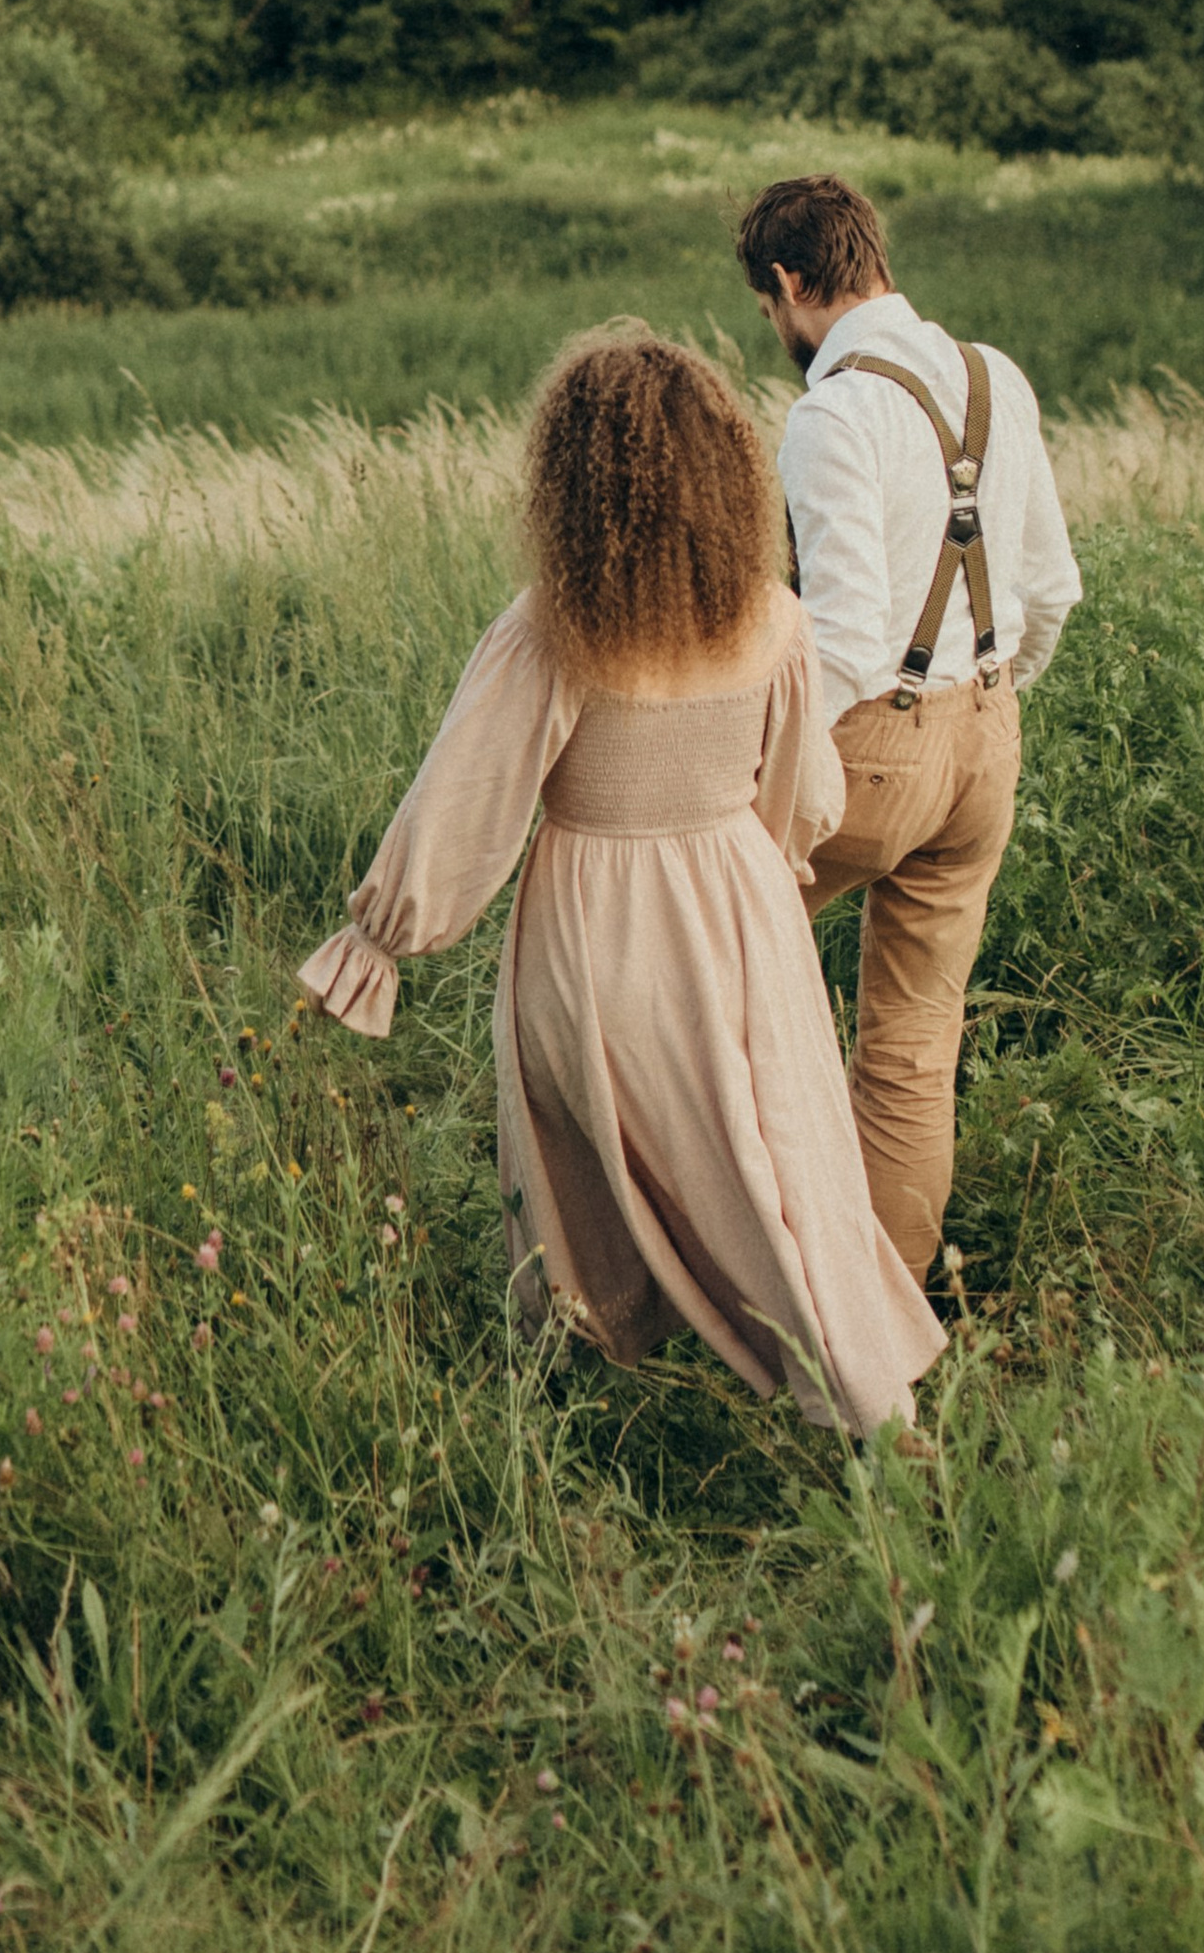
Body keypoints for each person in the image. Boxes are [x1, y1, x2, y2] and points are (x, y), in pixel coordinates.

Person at [298, 331, 942, 1436]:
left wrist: (382, 936)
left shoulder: (554, 632)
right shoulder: (774, 619)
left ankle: (624, 1369)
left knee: (582, 1148)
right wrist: (762, 868)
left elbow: (466, 794)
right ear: (723, 474)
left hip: (595, 919)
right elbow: (804, 796)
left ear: (574, 482)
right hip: (742, 899)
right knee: (770, 1148)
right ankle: (843, 1374)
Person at [735, 172, 1081, 1290]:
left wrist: (759, 774)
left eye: (767, 306)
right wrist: (985, 696)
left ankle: (722, 1274)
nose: (775, 329)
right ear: (873, 256)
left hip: (869, 747)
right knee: (913, 1053)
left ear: (790, 283)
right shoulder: (995, 377)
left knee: (702, 961)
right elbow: (1052, 588)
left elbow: (837, 639)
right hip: (986, 739)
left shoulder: (829, 413)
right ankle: (886, 1313)